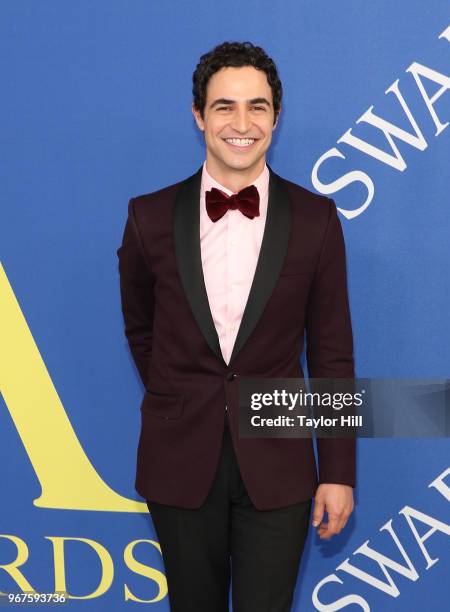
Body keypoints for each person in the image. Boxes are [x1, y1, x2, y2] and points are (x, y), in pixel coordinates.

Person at [117, 41, 355, 612]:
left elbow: (332, 357)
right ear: (199, 115)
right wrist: (181, 396)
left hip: (280, 463)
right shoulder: (148, 217)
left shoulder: (316, 220)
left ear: (276, 117)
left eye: (258, 107)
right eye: (225, 107)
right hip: (179, 459)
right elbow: (141, 329)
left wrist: (338, 471)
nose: (242, 124)